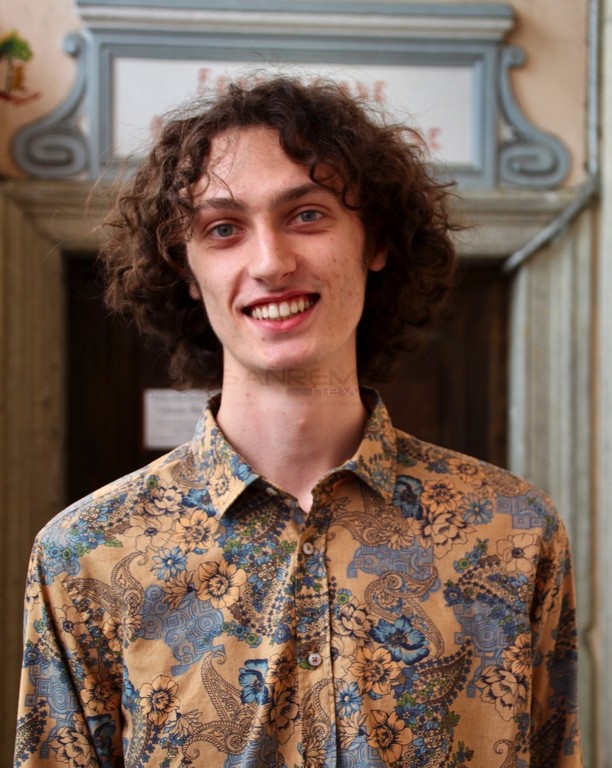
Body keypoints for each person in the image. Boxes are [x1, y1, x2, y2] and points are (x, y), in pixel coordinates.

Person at [14, 76, 581, 767]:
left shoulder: (514, 533)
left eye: (307, 215)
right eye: (223, 229)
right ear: (186, 269)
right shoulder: (86, 555)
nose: (271, 262)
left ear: (375, 241)